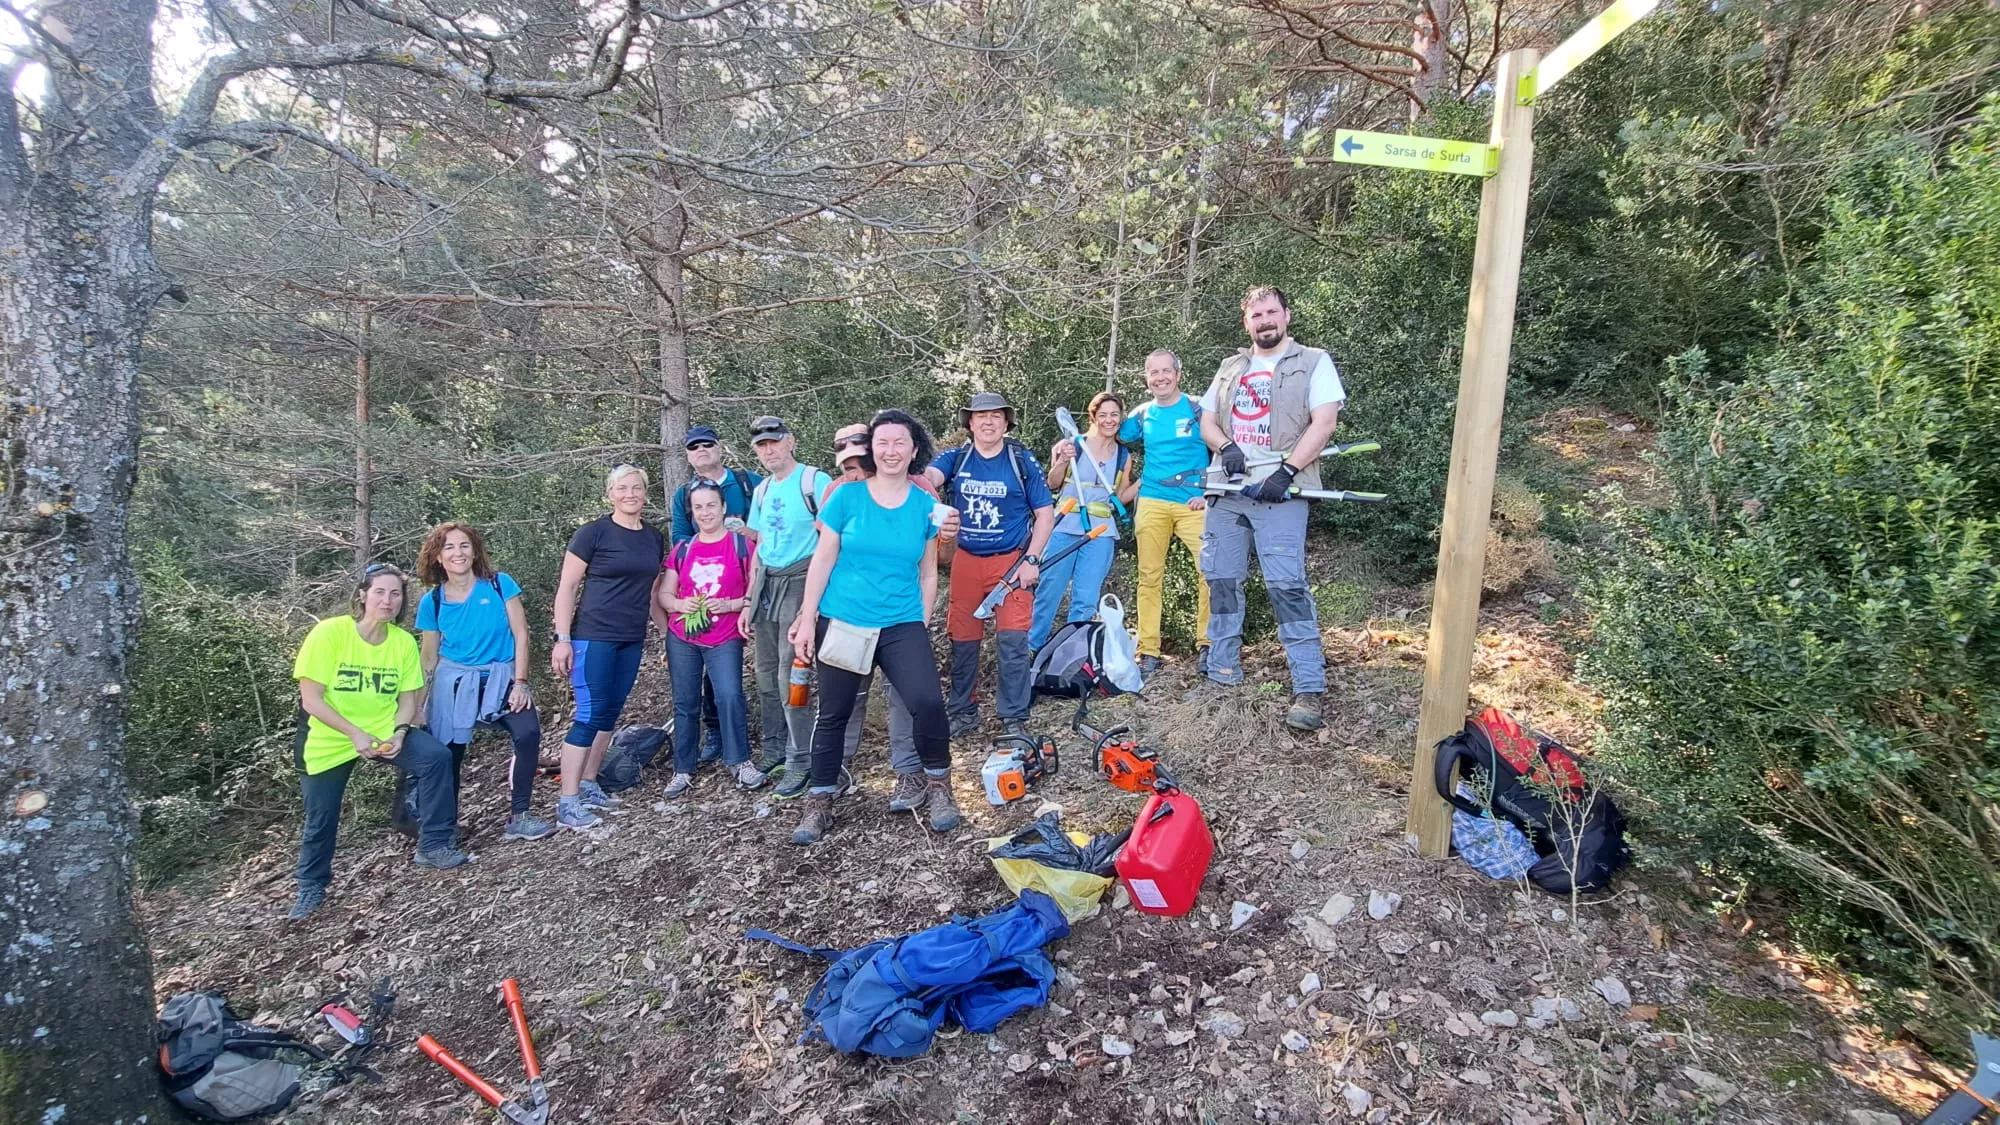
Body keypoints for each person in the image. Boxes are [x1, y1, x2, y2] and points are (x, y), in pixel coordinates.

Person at [787, 409, 961, 844]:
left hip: (902, 621)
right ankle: (820, 800)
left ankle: (939, 786)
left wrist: (920, 622)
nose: (890, 450)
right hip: (844, 617)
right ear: (872, 449)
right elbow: (822, 560)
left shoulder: (926, 506)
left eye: (899, 442)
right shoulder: (846, 498)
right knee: (834, 713)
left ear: (914, 450)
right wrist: (808, 618)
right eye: (882, 443)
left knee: (928, 702)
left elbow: (927, 572)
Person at [1198, 285, 1345, 731]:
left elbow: (1325, 422)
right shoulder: (1231, 367)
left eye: (1271, 312)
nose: (1264, 321)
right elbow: (1207, 419)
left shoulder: (1313, 362)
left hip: (1282, 493)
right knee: (1221, 581)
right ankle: (1222, 668)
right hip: (1227, 492)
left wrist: (1287, 471)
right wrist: (1225, 447)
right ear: (1246, 322)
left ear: (1286, 315)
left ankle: (1309, 686)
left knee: (1287, 586)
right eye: (1255, 315)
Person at [289, 563, 466, 920]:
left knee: (435, 757)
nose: (388, 600)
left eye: (396, 594)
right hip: (329, 738)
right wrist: (354, 734)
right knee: (321, 815)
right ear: (363, 595)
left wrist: (400, 731)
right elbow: (312, 700)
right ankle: (311, 886)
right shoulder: (330, 633)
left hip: (385, 730)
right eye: (380, 592)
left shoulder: (401, 643)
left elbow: (407, 697)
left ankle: (433, 844)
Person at [923, 392, 1054, 738]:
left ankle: (1013, 717)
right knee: (963, 641)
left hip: (1011, 563)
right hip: (966, 561)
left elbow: (1044, 513)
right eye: (981, 416)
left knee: (1013, 642)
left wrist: (1032, 559)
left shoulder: (1021, 460)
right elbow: (928, 481)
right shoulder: (957, 458)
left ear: (1006, 422)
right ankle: (963, 711)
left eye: (996, 415)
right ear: (969, 422)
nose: (988, 422)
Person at [413, 522, 555, 843]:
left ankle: (520, 815)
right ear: (437, 557)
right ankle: (444, 826)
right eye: (448, 547)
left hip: (501, 677)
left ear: (475, 551)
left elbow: (521, 633)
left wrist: (521, 682)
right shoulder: (432, 602)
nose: (457, 553)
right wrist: (417, 705)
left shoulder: (499, 585)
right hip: (454, 682)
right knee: (449, 752)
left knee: (528, 731)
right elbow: (428, 659)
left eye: (464, 545)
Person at [551, 464, 667, 829]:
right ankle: (567, 801)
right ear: (610, 494)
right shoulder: (593, 534)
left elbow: (651, 593)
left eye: (637, 487)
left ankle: (588, 783)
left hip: (630, 637)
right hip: (592, 636)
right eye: (622, 488)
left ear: (645, 493)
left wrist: (665, 632)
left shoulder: (653, 537)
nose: (630, 494)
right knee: (589, 714)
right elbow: (567, 588)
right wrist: (562, 638)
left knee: (609, 713)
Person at [741, 415, 832, 786]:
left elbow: (831, 538)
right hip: (767, 585)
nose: (769, 449)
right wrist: (749, 599)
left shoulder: (814, 481)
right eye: (762, 445)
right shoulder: (762, 490)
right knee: (764, 672)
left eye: (774, 441)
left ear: (790, 441)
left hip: (801, 580)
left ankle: (802, 758)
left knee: (790, 673)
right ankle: (775, 749)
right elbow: (761, 546)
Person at [658, 481, 764, 796]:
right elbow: (665, 593)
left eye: (711, 505)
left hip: (725, 634)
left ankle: (740, 762)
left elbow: (754, 589)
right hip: (683, 635)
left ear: (723, 508)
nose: (705, 512)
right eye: (699, 507)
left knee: (729, 695)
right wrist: (679, 604)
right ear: (692, 512)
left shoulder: (741, 546)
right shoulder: (684, 549)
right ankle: (683, 768)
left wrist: (732, 605)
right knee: (685, 702)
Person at [669, 424, 763, 762]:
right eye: (694, 447)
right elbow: (680, 540)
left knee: (747, 673)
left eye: (708, 444)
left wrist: (746, 535)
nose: (702, 451)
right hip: (702, 598)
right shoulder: (683, 495)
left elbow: (771, 530)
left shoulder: (748, 482)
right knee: (702, 675)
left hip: (755, 584)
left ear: (719, 448)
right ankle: (715, 735)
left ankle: (765, 742)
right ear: (688, 456)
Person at [1120, 349, 1213, 677]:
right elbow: (1108, 431)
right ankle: (1148, 651)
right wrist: (1071, 445)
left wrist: (1210, 492)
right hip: (1153, 501)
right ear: (1146, 379)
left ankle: (1208, 644)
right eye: (1153, 372)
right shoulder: (1142, 415)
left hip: (1194, 504)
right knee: (1148, 577)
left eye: (1166, 371)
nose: (1160, 377)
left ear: (1178, 374)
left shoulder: (1199, 407)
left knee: (1211, 573)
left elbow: (1228, 447)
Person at [1030, 391, 1135, 651]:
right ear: (1093, 417)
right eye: (1103, 415)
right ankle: (1032, 652)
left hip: (1101, 531)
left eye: (1114, 415)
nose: (1109, 420)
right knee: (1048, 592)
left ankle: (1072, 655)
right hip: (1065, 525)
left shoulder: (1124, 456)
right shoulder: (1072, 444)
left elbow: (1121, 496)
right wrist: (1063, 460)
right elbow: (1052, 483)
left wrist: (1150, 480)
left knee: (1086, 600)